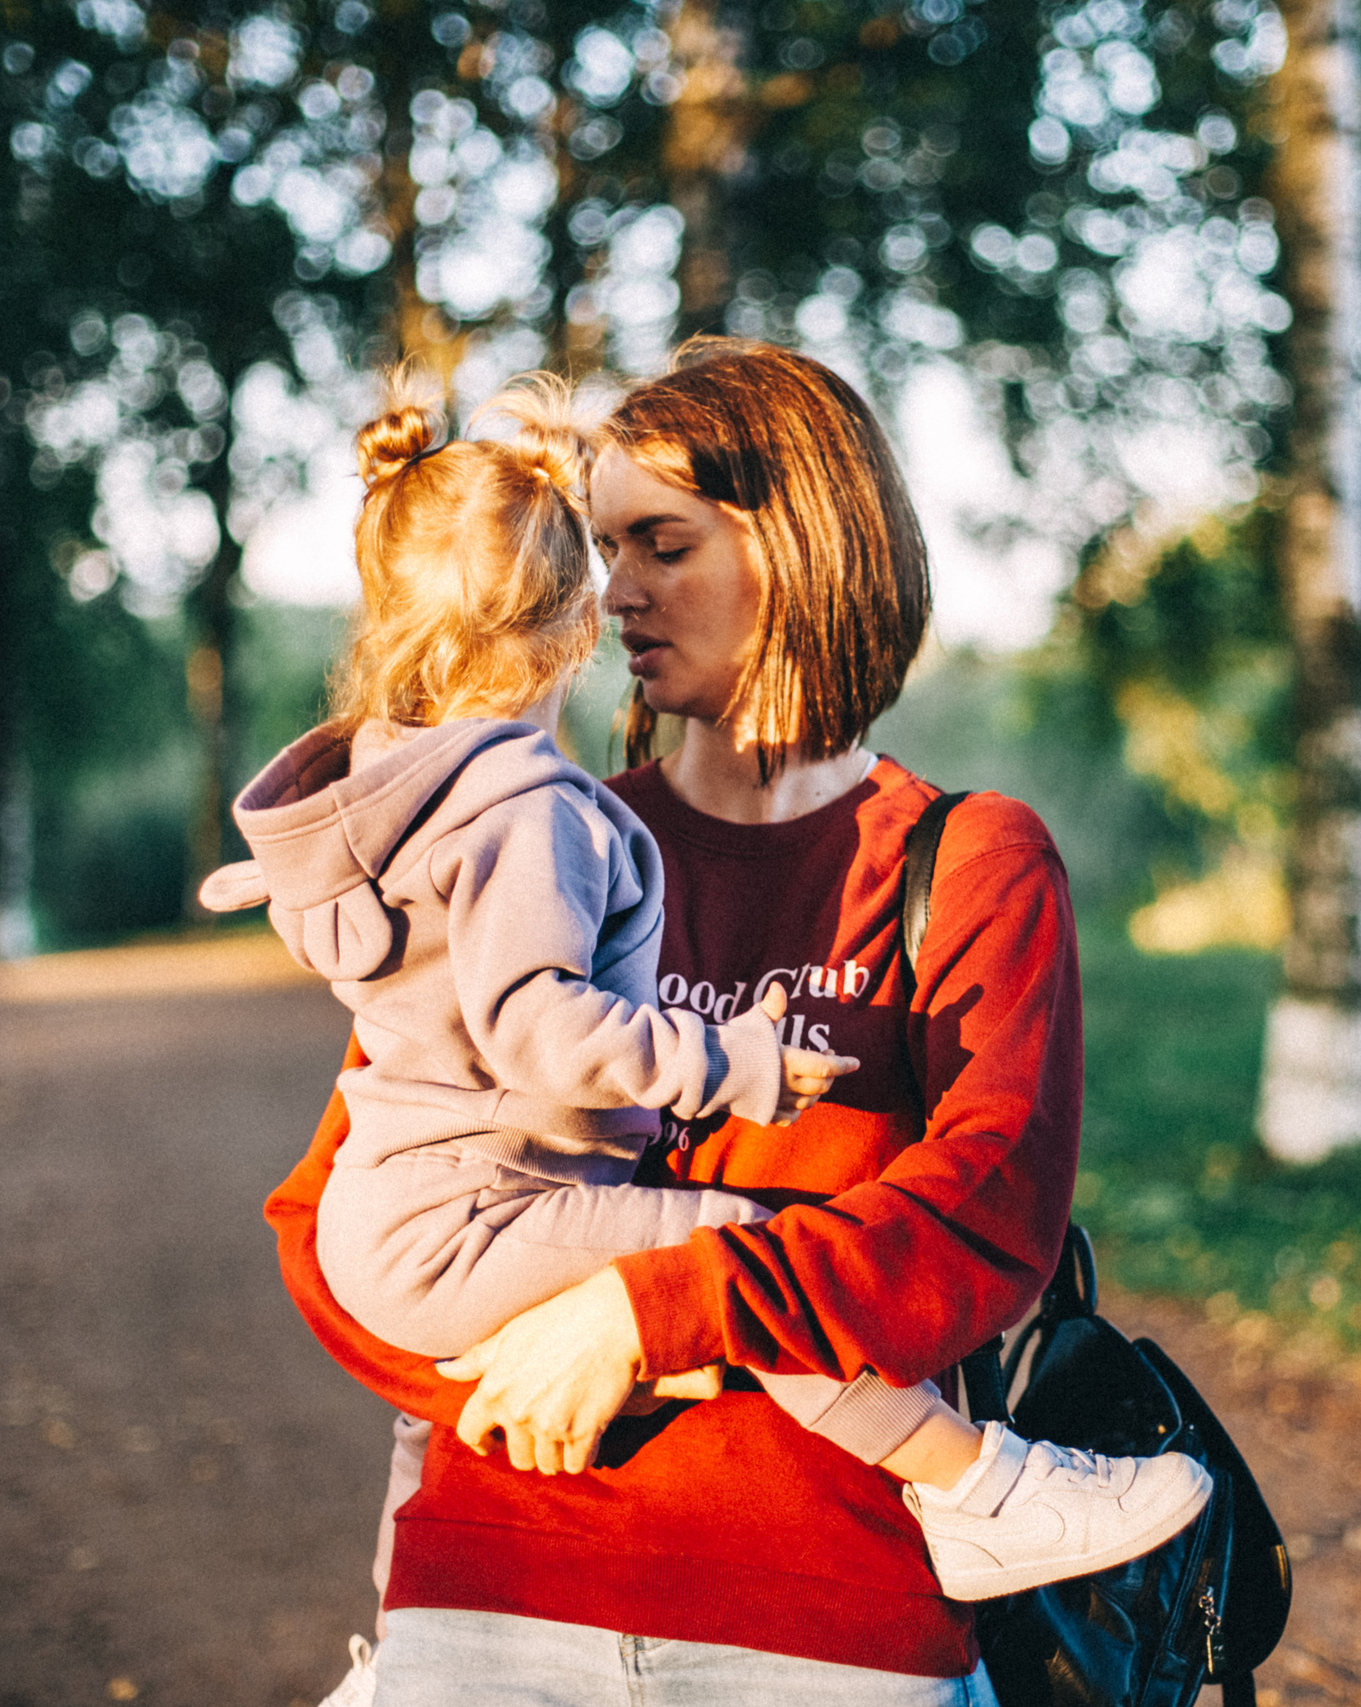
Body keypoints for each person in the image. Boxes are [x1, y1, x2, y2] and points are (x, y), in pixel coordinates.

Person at [206, 368, 1208, 1609]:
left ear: (794, 550)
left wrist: (649, 1321)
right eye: (602, 547)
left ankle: (988, 1502)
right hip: (494, 1595)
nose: (614, 591)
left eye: (659, 545)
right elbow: (334, 1214)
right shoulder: (537, 838)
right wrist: (529, 1361)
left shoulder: (963, 860)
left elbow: (980, 1224)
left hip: (819, 1619)